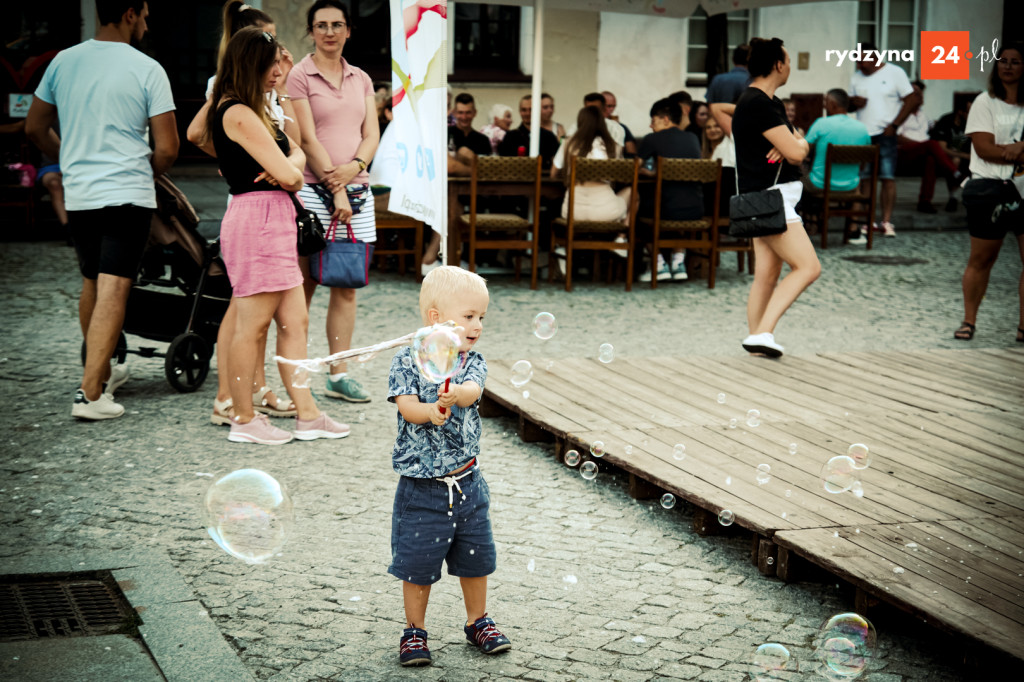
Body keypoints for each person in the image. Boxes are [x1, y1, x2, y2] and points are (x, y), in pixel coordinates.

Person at [26, 0, 178, 420]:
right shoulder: (147, 68)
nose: (147, 23)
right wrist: (145, 170)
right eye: (146, 14)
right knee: (115, 285)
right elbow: (167, 147)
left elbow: (34, 127)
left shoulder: (63, 62)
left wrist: (69, 157)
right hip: (126, 191)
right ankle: (91, 393)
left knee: (92, 280)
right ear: (130, 13)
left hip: (80, 194)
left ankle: (101, 373)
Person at [202, 27, 348, 444]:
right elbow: (290, 174)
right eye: (272, 66)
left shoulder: (256, 109)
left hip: (275, 216)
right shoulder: (237, 111)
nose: (279, 73)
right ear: (252, 65)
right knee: (252, 324)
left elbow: (295, 158)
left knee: (294, 319)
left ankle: (308, 414)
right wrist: (289, 165)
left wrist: (290, 161)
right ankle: (244, 419)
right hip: (258, 219)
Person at [387, 266, 511, 666]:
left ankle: (478, 621)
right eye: (470, 316)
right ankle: (414, 632)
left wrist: (457, 393)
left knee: (476, 558)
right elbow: (407, 406)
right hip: (422, 487)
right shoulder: (405, 362)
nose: (477, 325)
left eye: (482, 318)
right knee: (417, 562)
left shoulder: (470, 363)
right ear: (437, 318)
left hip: (468, 482)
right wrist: (429, 411)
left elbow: (474, 391)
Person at [186, 0, 299, 426]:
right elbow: (197, 133)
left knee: (251, 315)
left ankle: (246, 393)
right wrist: (247, 165)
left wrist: (267, 162)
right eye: (270, 54)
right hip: (255, 212)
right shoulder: (236, 101)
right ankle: (233, 403)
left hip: (261, 208)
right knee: (247, 317)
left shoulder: (261, 97)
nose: (279, 61)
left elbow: (294, 151)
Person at [288, 0, 380, 404]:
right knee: (303, 285)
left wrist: (355, 167)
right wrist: (335, 184)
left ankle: (338, 373)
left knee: (346, 285)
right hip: (312, 191)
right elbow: (306, 138)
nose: (329, 32)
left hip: (357, 191)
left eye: (337, 25)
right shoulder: (298, 75)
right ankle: (297, 373)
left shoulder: (361, 78)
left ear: (348, 30)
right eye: (321, 25)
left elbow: (372, 134)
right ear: (311, 31)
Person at [732, 37, 819, 358]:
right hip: (772, 200)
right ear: (778, 65)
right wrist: (799, 144)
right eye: (788, 60)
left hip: (764, 198)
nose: (790, 66)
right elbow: (796, 151)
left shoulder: (765, 102)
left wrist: (793, 144)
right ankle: (764, 332)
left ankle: (756, 338)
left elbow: (792, 146)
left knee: (766, 276)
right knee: (808, 267)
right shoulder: (759, 103)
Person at [955, 43, 1024, 344]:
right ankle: (969, 320)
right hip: (989, 187)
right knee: (981, 259)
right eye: (1003, 61)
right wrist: (1019, 151)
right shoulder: (986, 101)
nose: (1008, 66)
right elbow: (983, 148)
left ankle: (1023, 327)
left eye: (1015, 62)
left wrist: (1018, 149)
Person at [849, 43, 921, 237]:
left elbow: (912, 99)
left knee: (887, 178)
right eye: (856, 59)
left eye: (862, 59)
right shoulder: (856, 77)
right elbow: (849, 105)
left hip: (886, 133)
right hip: (864, 134)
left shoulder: (895, 72)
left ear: (874, 57)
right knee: (865, 179)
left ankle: (886, 221)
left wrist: (896, 125)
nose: (859, 64)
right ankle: (867, 221)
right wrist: (853, 103)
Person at [636, 98, 703, 282]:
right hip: (695, 210)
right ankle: (678, 262)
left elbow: (634, 168)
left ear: (665, 119)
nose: (651, 126)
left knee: (638, 214)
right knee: (675, 201)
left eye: (654, 120)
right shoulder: (693, 138)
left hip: (664, 210)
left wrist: (649, 173)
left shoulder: (651, 139)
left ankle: (658, 264)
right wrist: (658, 174)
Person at [801, 89, 871, 242]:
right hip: (850, 186)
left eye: (826, 103)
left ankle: (806, 224)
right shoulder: (861, 128)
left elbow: (803, 149)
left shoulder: (821, 124)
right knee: (857, 182)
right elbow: (863, 163)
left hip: (819, 184)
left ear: (832, 104)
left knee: (797, 171)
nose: (825, 106)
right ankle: (852, 230)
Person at [896, 81, 964, 215]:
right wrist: (923, 145)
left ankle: (925, 202)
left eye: (921, 94)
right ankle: (955, 173)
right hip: (903, 153)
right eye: (916, 94)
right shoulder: (900, 113)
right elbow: (897, 137)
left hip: (921, 153)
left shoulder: (923, 116)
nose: (920, 97)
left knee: (931, 159)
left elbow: (934, 127)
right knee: (931, 145)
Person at [930, 95, 973, 207]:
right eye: (969, 112)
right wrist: (964, 155)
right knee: (956, 160)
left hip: (965, 155)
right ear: (960, 112)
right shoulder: (946, 121)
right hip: (945, 157)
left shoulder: (971, 123)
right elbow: (942, 148)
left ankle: (968, 196)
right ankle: (953, 197)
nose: (972, 115)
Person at [496, 94, 559, 168]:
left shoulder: (549, 137)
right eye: (524, 110)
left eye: (531, 109)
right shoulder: (510, 136)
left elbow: (557, 163)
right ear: (519, 111)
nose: (527, 113)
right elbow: (504, 164)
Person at [448, 92, 492, 158]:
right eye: (460, 112)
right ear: (454, 113)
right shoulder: (444, 136)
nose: (464, 117)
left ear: (474, 113)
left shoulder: (483, 140)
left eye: (468, 112)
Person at [601, 90, 637, 156]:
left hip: (617, 163)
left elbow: (632, 153)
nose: (612, 109)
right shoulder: (592, 126)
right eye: (609, 106)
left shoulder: (621, 127)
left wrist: (617, 129)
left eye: (614, 106)